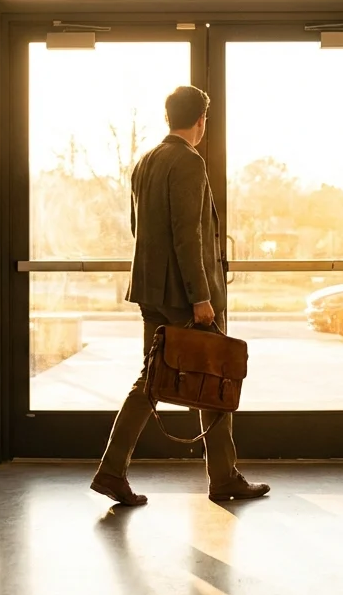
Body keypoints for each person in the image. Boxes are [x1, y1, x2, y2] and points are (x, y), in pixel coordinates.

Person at [90, 85, 270, 506]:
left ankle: (113, 470)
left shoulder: (146, 161)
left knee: (152, 381)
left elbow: (140, 229)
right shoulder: (188, 162)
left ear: (169, 117)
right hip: (185, 297)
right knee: (217, 375)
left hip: (152, 291)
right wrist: (200, 297)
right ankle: (222, 477)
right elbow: (188, 236)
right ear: (201, 122)